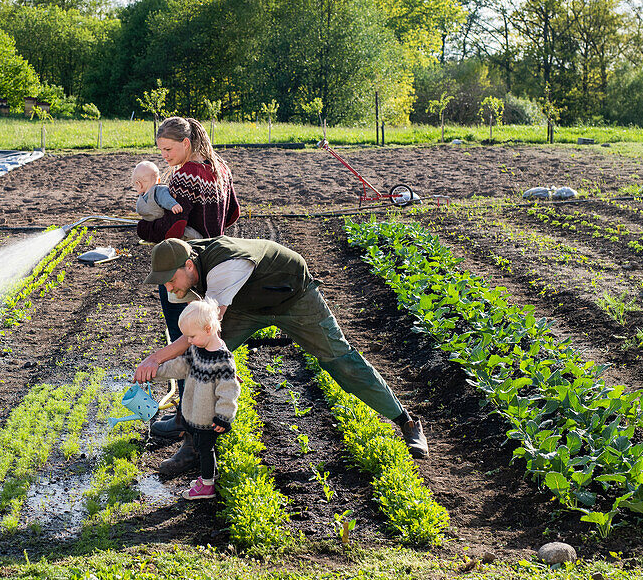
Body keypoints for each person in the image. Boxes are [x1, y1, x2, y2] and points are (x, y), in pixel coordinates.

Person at [135, 237, 429, 468]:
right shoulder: (188, 260)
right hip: (247, 307)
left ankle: (406, 421)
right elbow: (197, 335)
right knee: (200, 358)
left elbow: (204, 324)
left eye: (170, 278)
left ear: (188, 265)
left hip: (293, 298)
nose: (169, 286)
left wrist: (156, 358)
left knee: (341, 361)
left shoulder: (225, 266)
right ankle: (191, 443)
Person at [135, 117, 240, 472]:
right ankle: (184, 418)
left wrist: (143, 225)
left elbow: (172, 227)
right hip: (209, 263)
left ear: (186, 142)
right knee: (198, 340)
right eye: (160, 150)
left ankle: (191, 434)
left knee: (185, 341)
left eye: (168, 149)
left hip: (182, 267)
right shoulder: (220, 169)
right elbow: (235, 212)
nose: (164, 157)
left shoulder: (184, 175)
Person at [143, 297, 238, 500]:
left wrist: (223, 417)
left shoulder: (223, 361)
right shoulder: (197, 349)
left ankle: (207, 486)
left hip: (208, 420)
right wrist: (156, 371)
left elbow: (229, 392)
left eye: (191, 336)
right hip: (194, 414)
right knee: (201, 447)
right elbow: (180, 366)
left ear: (208, 328)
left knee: (205, 449)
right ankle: (207, 477)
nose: (188, 341)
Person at [131, 160, 203, 240]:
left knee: (187, 233)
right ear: (158, 180)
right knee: (142, 228)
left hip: (164, 223)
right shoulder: (143, 196)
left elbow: (165, 197)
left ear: (139, 184)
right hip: (153, 224)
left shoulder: (158, 190)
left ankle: (198, 238)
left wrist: (173, 205)